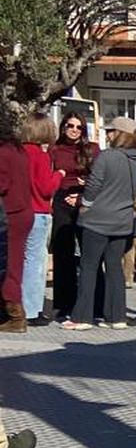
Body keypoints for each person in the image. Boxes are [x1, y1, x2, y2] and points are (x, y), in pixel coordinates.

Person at [65, 118, 136, 330]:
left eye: (111, 131)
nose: (108, 135)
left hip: (98, 219)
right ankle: (116, 317)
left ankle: (82, 317)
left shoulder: (108, 156)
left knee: (89, 267)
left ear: (120, 133)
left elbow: (94, 184)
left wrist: (85, 204)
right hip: (123, 220)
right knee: (115, 267)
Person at [48, 110, 98, 319]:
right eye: (70, 126)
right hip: (62, 200)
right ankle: (64, 303)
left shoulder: (92, 149)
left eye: (79, 127)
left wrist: (82, 196)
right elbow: (49, 175)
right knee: (63, 252)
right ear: (63, 127)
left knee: (90, 252)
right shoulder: (55, 149)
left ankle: (94, 303)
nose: (74, 130)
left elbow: (98, 179)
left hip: (85, 200)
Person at [21, 117, 64, 327]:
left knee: (18, 262)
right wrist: (59, 175)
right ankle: (32, 309)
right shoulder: (40, 155)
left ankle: (16, 306)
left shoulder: (19, 153)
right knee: (35, 264)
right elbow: (46, 188)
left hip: (18, 213)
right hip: (38, 211)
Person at [0, 120, 32, 335]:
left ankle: (15, 316)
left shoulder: (3, 152)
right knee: (14, 263)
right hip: (21, 210)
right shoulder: (17, 150)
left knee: (10, 265)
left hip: (11, 213)